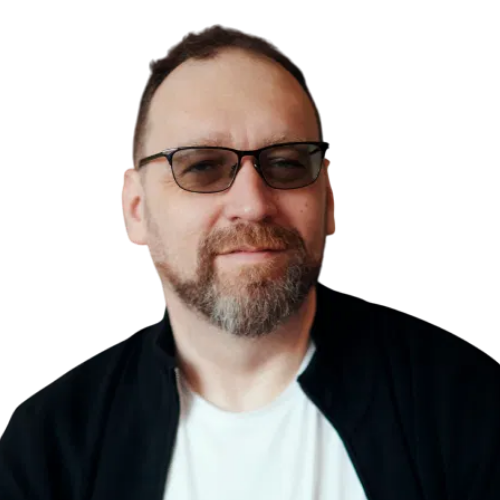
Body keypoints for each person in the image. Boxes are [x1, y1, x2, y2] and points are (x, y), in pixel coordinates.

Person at [1, 25, 499, 500]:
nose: (253, 203)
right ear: (135, 209)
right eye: (201, 166)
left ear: (329, 199)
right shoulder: (48, 446)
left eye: (286, 162)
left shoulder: (460, 402)